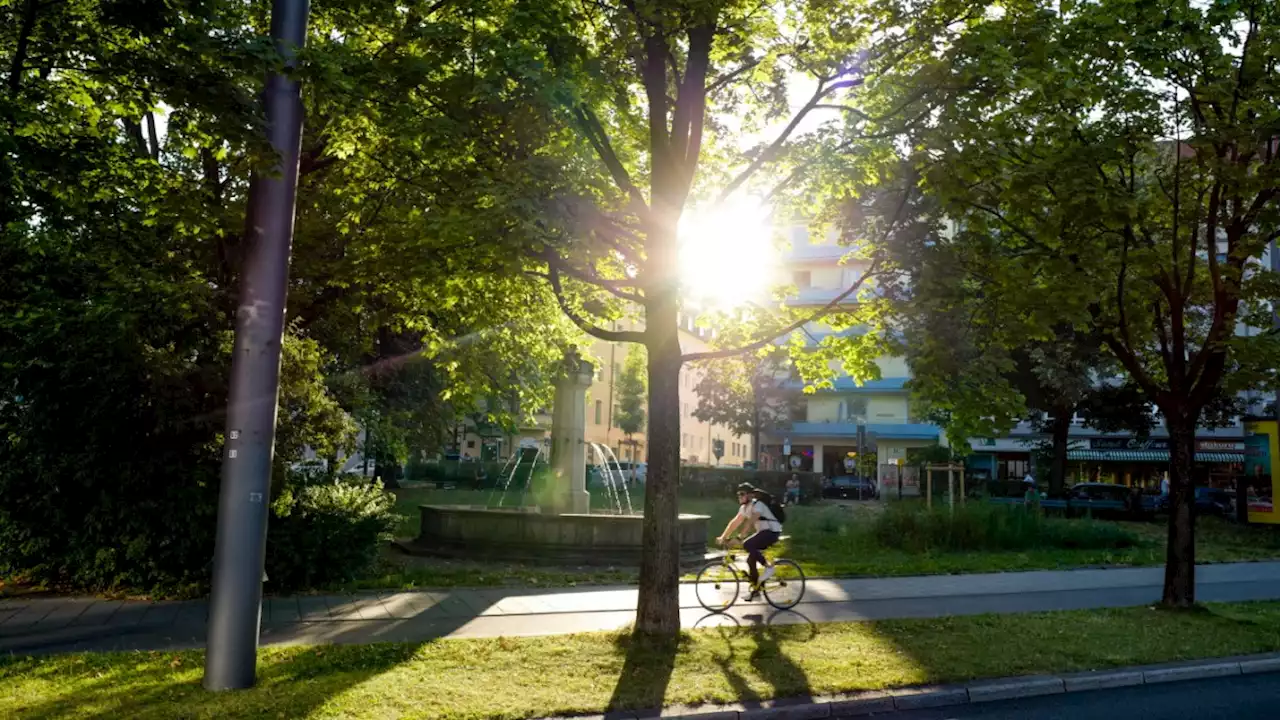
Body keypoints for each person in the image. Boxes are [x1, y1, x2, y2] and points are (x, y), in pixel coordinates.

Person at [716, 482, 783, 599]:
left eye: (742, 494)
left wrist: (740, 537)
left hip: (772, 532)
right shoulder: (744, 508)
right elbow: (735, 522)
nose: (739, 497)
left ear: (750, 496)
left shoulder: (758, 505)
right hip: (763, 533)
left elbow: (751, 521)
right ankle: (756, 591)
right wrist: (723, 537)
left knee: (747, 544)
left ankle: (768, 567)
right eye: (738, 494)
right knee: (750, 560)